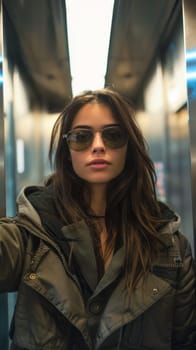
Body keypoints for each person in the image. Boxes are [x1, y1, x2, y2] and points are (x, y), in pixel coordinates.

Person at [0, 88, 195, 350]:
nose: (99, 145)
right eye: (82, 137)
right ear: (68, 150)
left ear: (129, 146)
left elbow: (185, 339)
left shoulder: (170, 246)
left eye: (113, 135)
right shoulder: (32, 235)